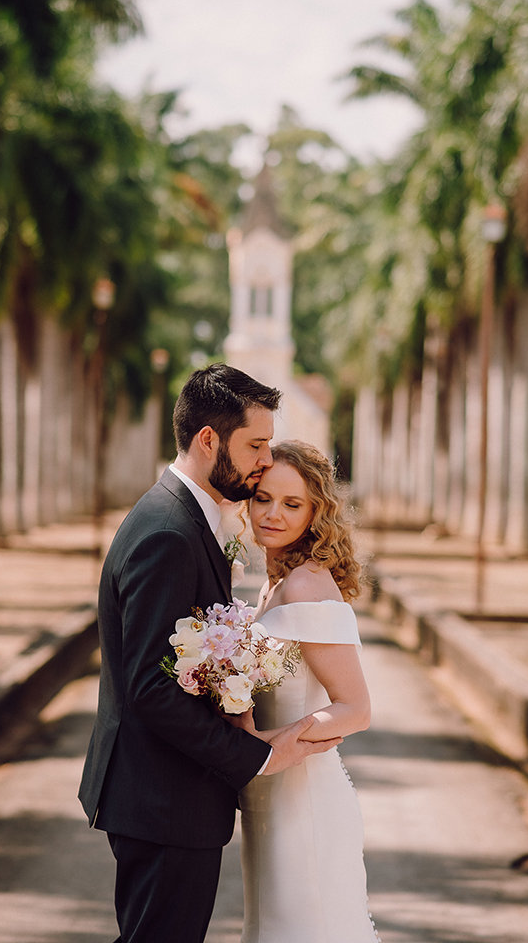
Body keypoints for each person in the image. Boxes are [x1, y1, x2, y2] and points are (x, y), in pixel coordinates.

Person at [78, 365, 343, 943]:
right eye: (255, 444)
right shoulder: (168, 534)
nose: (263, 459)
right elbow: (150, 686)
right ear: (208, 440)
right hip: (162, 797)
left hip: (168, 797)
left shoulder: (186, 518)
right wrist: (254, 757)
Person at [232, 439, 381, 943]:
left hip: (305, 798)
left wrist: (272, 746)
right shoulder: (275, 582)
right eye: (263, 498)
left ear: (316, 512)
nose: (273, 514)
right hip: (268, 793)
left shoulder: (306, 584)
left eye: (292, 504)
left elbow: (355, 710)